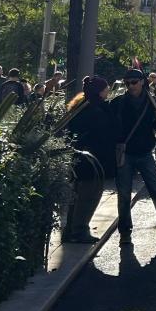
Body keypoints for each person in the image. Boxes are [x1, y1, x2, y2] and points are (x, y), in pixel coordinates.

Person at [111, 69, 156, 246]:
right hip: (125, 152)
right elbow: (109, 127)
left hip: (144, 152)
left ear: (142, 82)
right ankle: (125, 232)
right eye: (127, 83)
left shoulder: (152, 101)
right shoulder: (118, 102)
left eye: (134, 82)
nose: (130, 86)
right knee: (124, 194)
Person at [62, 75, 116, 243]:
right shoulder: (96, 110)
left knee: (77, 196)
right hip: (92, 161)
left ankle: (70, 230)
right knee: (88, 197)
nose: (108, 91)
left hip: (78, 158)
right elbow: (104, 135)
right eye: (106, 88)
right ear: (99, 91)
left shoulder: (79, 106)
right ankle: (79, 231)